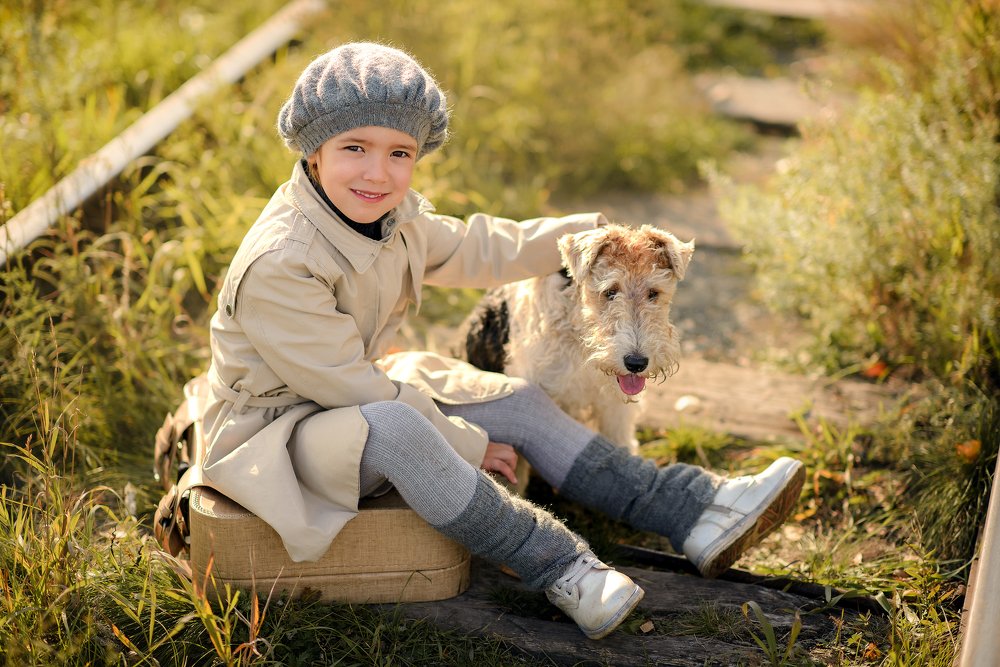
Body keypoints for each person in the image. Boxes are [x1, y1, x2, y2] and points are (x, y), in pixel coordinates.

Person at [199, 42, 805, 640]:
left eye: (399, 152)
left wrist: (592, 233)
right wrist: (466, 440)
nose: (378, 172)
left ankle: (691, 508)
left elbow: (479, 247)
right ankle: (562, 567)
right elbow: (349, 388)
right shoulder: (283, 261)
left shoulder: (389, 218)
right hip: (277, 435)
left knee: (517, 400)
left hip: (343, 404)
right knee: (400, 428)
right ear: (313, 149)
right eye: (354, 147)